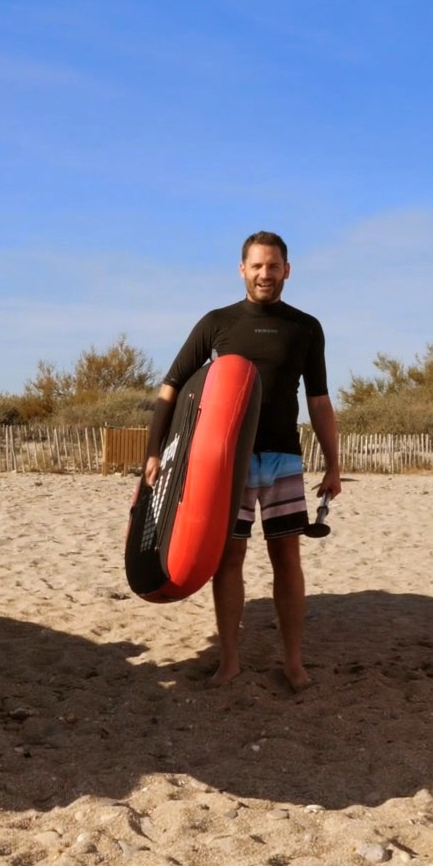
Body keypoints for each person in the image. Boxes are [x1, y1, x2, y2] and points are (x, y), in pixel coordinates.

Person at [145, 231, 343, 691]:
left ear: (287, 270)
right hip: (225, 463)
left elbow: (318, 400)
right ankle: (229, 660)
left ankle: (293, 662)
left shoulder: (306, 327)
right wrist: (155, 451)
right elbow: (172, 387)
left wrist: (333, 464)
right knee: (228, 558)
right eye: (256, 266)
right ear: (241, 269)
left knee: (286, 558)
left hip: (283, 458)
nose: (265, 274)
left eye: (273, 266)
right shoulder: (217, 323)